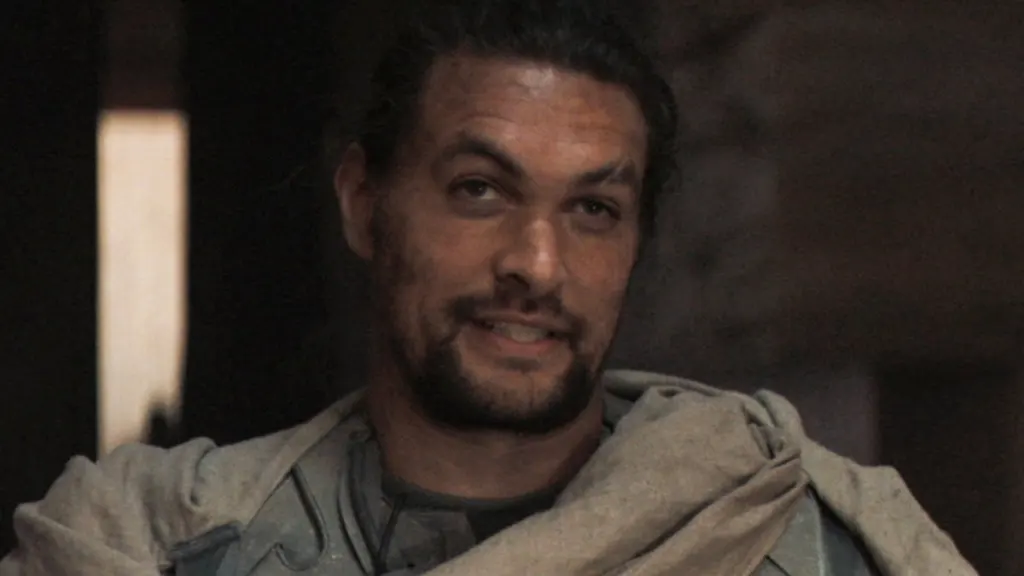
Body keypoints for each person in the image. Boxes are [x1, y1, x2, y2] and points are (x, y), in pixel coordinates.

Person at [1, 1, 975, 575]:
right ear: (365, 205)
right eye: (480, 191)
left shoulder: (787, 531)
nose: (537, 265)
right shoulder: (164, 543)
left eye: (592, 209)